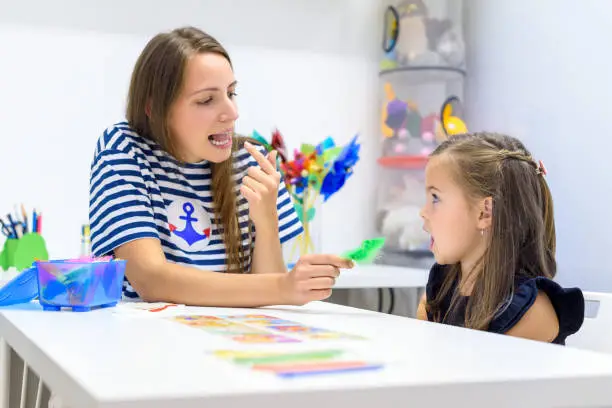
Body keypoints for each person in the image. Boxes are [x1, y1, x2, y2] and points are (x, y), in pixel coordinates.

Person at [88, 26, 353, 307]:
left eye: (231, 93)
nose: (232, 113)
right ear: (155, 109)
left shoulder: (250, 161)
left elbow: (271, 302)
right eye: (206, 100)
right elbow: (152, 279)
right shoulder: (124, 148)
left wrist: (266, 221)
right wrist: (283, 285)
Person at [416, 132, 584, 344]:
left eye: (436, 198)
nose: (423, 212)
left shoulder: (529, 312)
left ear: (484, 213)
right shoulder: (441, 290)